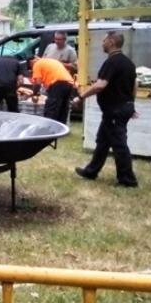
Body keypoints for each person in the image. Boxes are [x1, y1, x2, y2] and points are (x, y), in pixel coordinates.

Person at [73, 31, 138, 188]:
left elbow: (100, 85)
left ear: (111, 42)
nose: (102, 44)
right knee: (103, 141)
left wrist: (81, 96)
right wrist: (131, 104)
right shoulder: (128, 63)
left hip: (115, 110)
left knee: (119, 144)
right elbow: (135, 85)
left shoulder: (112, 62)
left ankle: (128, 180)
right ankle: (91, 171)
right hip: (120, 108)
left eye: (104, 41)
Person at [29, 57, 76, 124]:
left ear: (31, 62)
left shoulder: (37, 64)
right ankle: (61, 130)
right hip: (69, 83)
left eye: (30, 67)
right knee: (63, 109)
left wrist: (34, 93)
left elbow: (38, 83)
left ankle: (49, 128)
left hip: (58, 83)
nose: (32, 69)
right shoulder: (50, 61)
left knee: (51, 109)